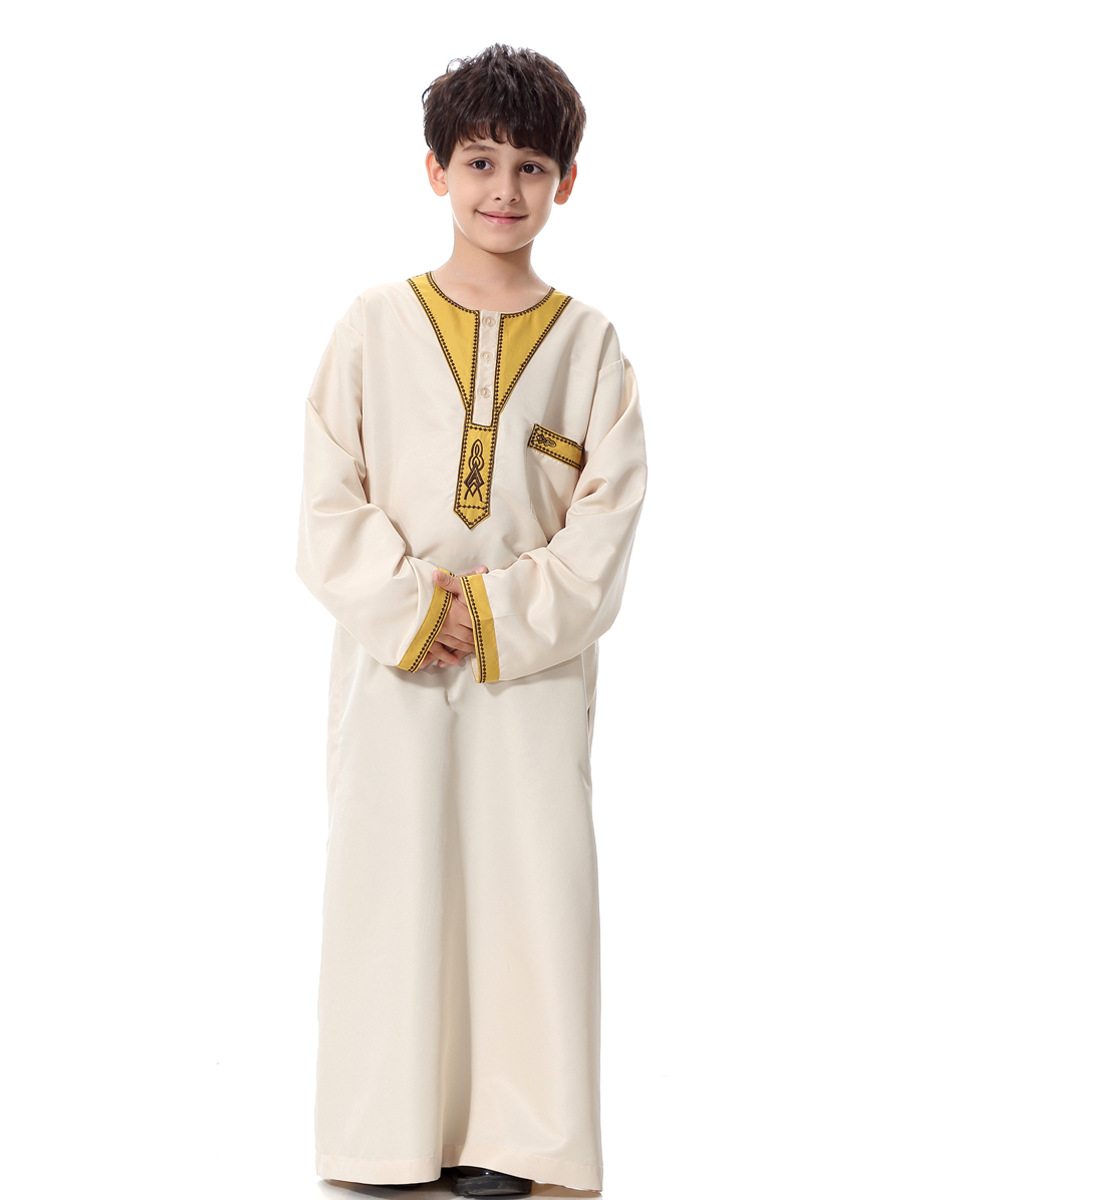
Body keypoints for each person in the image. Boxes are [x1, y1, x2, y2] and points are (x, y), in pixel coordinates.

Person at [295, 43, 647, 1197]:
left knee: (530, 893)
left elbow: (603, 527)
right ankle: (387, 1139)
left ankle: (518, 1140)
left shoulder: (591, 347)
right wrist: (413, 609)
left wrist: (491, 614)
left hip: (529, 682)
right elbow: (327, 503)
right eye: (482, 161)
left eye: (531, 166)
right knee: (391, 890)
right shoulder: (370, 327)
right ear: (436, 169)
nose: (505, 188)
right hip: (393, 676)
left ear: (566, 184)